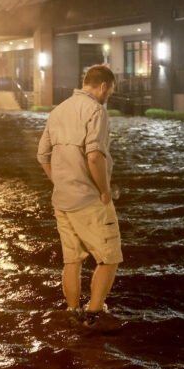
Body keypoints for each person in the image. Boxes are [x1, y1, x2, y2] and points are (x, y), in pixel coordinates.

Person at [37, 64, 121, 327]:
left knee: (72, 260)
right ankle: (94, 315)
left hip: (62, 200)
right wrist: (104, 191)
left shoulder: (58, 110)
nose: (109, 97)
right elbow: (95, 156)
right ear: (104, 86)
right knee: (109, 258)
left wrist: (60, 182)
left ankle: (72, 311)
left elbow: (42, 156)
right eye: (110, 91)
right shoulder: (96, 110)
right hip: (88, 200)